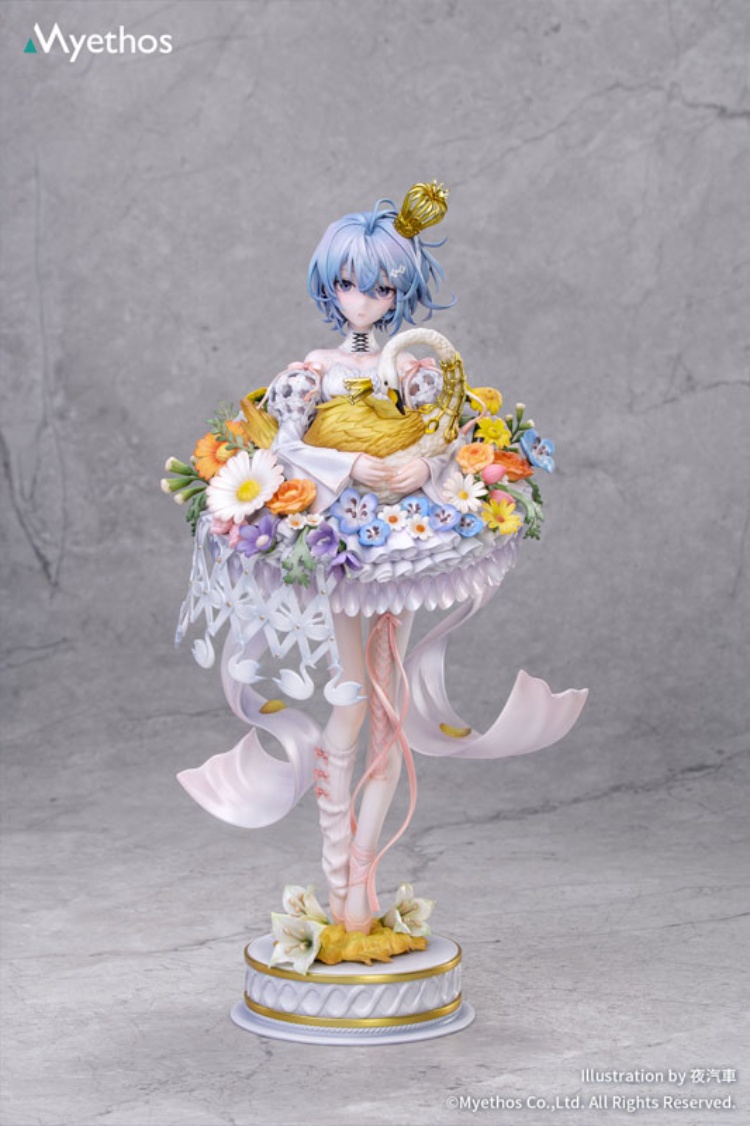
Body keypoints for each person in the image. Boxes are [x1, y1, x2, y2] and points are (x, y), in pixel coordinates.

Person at [175, 183, 587, 939]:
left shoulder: (415, 366)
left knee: (389, 710)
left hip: (402, 530)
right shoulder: (313, 369)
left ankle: (359, 889)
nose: (362, 300)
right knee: (352, 701)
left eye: (380, 287)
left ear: (401, 291)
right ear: (328, 288)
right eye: (346, 284)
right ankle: (343, 889)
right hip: (338, 530)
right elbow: (283, 446)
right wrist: (350, 468)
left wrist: (422, 468)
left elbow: (448, 436)